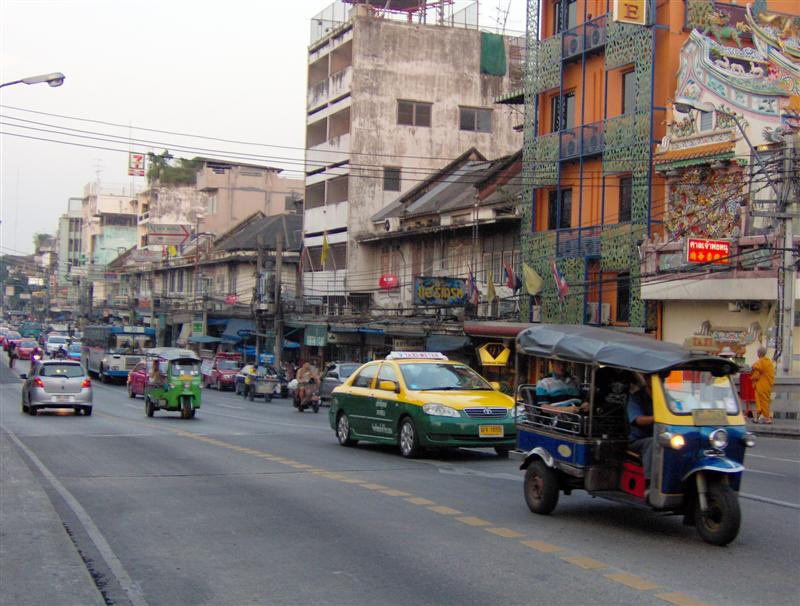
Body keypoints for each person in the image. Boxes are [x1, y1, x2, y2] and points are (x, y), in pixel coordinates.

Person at [627, 373, 654, 487]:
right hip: (638, 440)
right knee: (652, 442)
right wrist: (657, 417)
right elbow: (637, 419)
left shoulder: (665, 397)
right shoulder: (636, 398)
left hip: (662, 436)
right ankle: (649, 482)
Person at [750, 346, 775, 424]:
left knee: (762, 402)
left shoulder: (759, 363)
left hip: (761, 385)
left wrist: (752, 378)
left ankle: (767, 418)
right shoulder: (769, 362)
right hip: (767, 385)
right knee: (762, 401)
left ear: (758, 354)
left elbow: (756, 376)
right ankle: (756, 418)